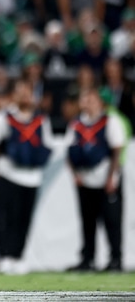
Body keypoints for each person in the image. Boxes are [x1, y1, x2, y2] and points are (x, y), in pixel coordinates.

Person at [0, 79, 54, 275]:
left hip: (32, 177)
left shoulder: (41, 119)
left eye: (28, 92)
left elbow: (47, 145)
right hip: (9, 173)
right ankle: (5, 255)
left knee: (24, 218)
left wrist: (36, 158)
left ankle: (18, 256)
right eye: (21, 92)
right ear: (14, 95)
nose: (25, 96)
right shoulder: (4, 116)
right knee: (7, 217)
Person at [64, 88, 128, 272]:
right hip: (85, 179)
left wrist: (111, 177)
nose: (88, 103)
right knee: (87, 221)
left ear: (100, 102)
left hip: (105, 177)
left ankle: (115, 259)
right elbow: (69, 150)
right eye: (85, 99)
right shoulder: (76, 124)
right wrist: (75, 175)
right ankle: (88, 259)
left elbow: (117, 149)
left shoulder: (110, 120)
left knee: (112, 221)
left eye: (92, 99)